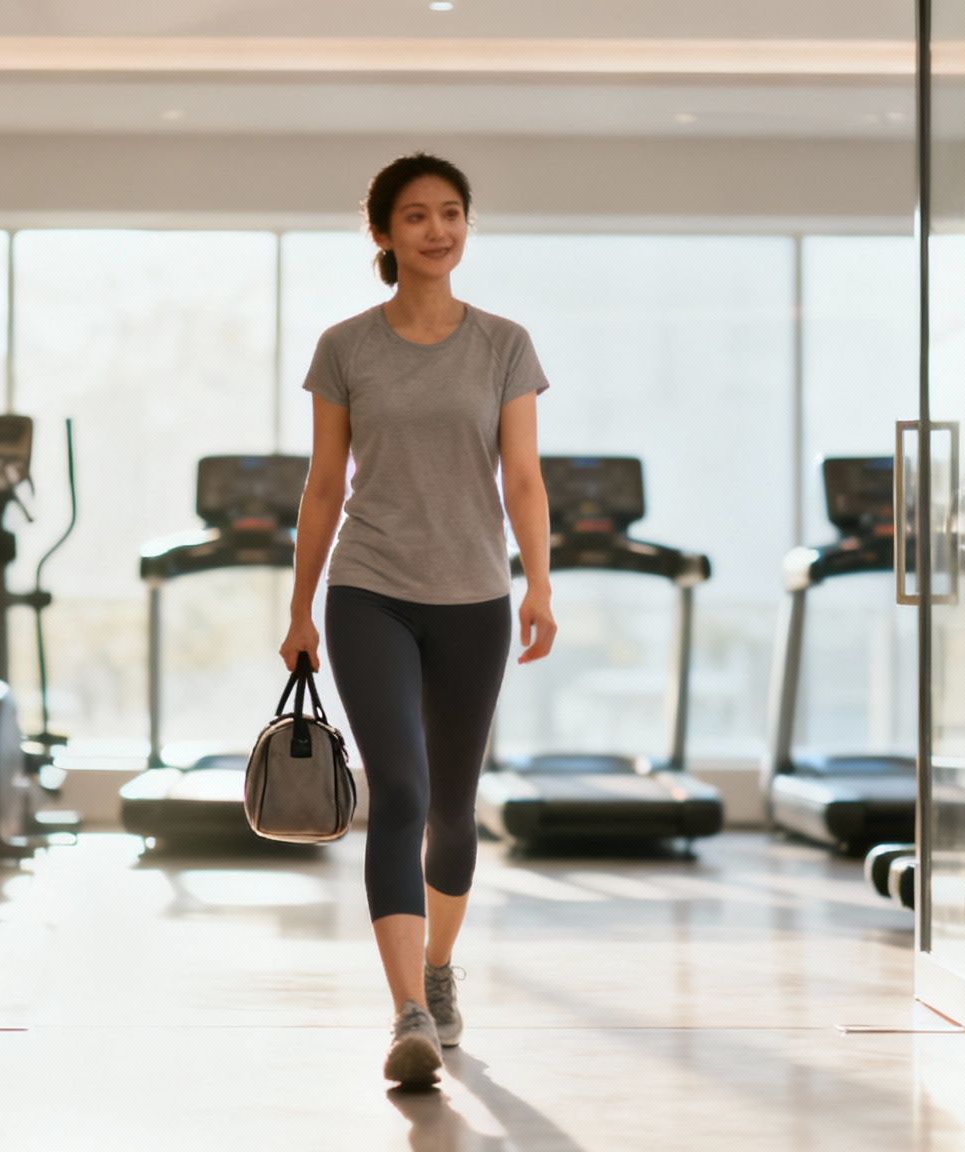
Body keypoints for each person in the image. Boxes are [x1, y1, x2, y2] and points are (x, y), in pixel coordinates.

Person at [282, 153, 557, 1088]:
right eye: (416, 217)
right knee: (398, 792)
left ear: (465, 227)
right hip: (369, 590)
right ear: (385, 234)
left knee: (451, 805)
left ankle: (439, 972)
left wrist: (540, 586)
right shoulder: (346, 347)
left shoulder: (504, 345)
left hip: (475, 597)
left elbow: (522, 476)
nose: (436, 231)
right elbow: (324, 486)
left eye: (451, 214)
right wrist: (299, 605)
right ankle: (406, 1013)